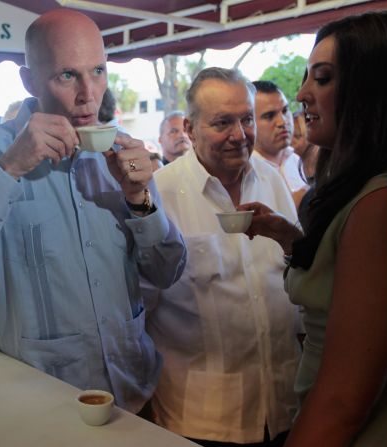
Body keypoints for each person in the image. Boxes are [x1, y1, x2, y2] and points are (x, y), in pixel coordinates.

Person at [0, 9, 187, 413]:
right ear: (30, 81)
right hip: (40, 406)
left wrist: (139, 201)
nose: (89, 95)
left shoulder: (122, 152)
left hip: (133, 393)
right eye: (67, 75)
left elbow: (168, 272)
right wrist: (10, 170)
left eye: (98, 71)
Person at [239, 11, 387, 447]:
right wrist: (293, 240)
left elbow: (342, 402)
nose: (303, 92)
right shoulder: (357, 189)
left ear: (371, 90)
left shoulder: (380, 201)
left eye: (322, 78)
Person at [145, 67, 301, 446]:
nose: (239, 134)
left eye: (246, 119)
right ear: (189, 128)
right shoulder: (159, 195)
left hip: (285, 408)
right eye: (222, 122)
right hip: (200, 419)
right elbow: (138, 309)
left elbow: (297, 275)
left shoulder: (272, 179)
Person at [251, 80, 309, 208]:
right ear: (249, 122)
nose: (282, 122)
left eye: (285, 111)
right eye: (269, 116)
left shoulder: (298, 160)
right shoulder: (246, 173)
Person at [290, 111, 318, 183]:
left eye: (297, 136)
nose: (290, 141)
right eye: (289, 135)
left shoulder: (328, 166)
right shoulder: (289, 164)